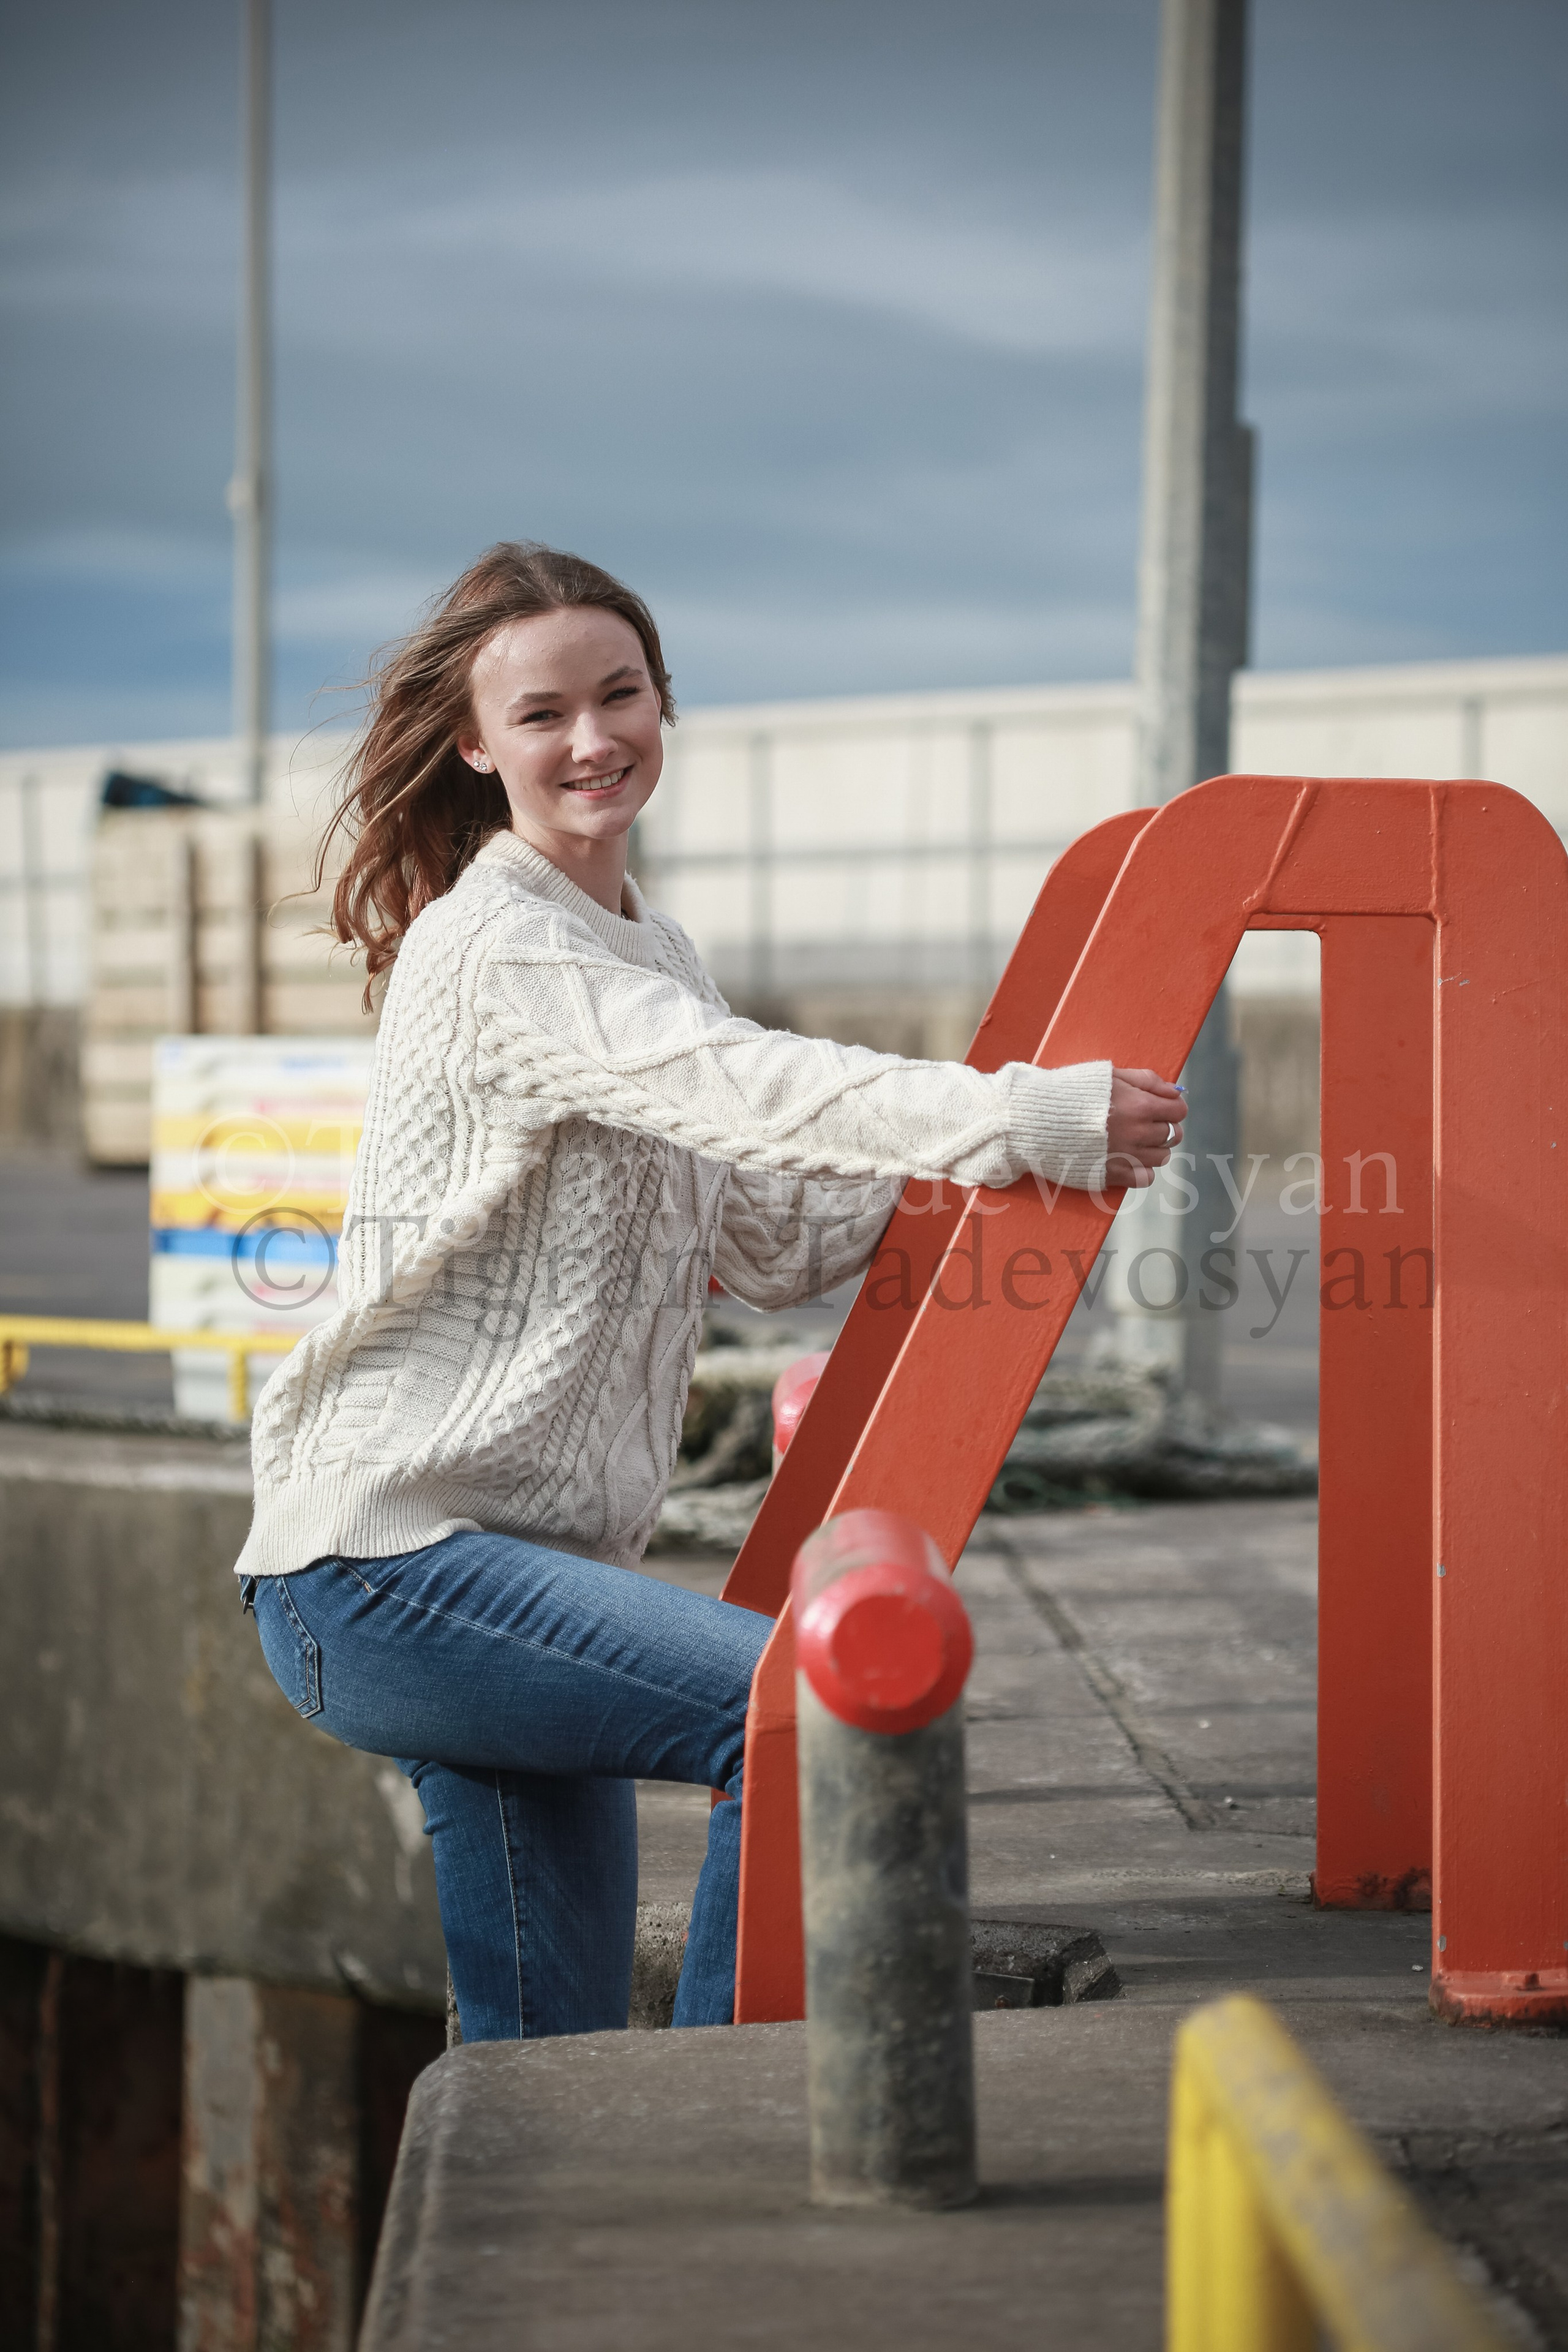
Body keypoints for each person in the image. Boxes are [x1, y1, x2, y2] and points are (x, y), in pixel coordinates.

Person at [237, 541, 1185, 2040]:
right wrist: (1015, 1115)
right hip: (386, 1562)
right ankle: (729, 2111)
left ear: (662, 703)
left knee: (543, 2052)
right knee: (811, 1708)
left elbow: (767, 1236)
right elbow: (740, 1083)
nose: (591, 738)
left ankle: (585, 2183)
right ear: (475, 746)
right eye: (541, 713)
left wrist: (968, 1174)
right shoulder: (496, 945)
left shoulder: (647, 950)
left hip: (519, 1568)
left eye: (619, 695)